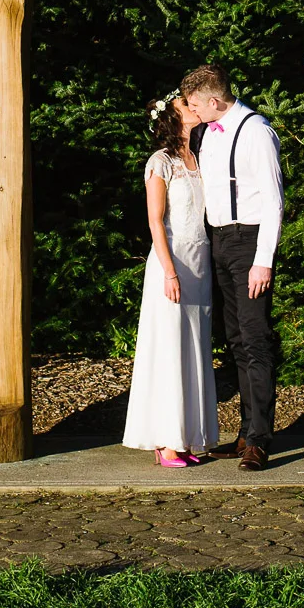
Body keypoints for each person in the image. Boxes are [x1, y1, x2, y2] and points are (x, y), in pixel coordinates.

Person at [182, 63, 284, 472]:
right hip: (219, 241)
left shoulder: (256, 131)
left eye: (194, 105)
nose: (192, 112)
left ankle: (260, 439)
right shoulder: (208, 133)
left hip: (249, 241)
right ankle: (244, 433)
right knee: (237, 341)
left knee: (256, 340)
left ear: (213, 100)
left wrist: (263, 260)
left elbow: (274, 201)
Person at [122, 90, 219, 467]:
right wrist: (168, 271)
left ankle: (188, 436)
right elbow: (154, 220)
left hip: (201, 262)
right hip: (172, 262)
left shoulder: (199, 157)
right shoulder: (160, 163)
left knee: (194, 349)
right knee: (169, 350)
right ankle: (166, 442)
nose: (193, 108)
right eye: (185, 105)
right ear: (170, 118)